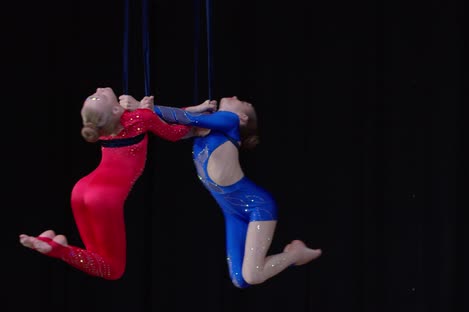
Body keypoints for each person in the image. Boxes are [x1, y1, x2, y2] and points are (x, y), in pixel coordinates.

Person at [125, 96, 322, 288]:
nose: (235, 96)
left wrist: (145, 108)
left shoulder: (231, 120)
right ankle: (293, 255)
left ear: (242, 118)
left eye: (243, 102)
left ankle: (295, 254)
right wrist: (145, 111)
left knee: (252, 276)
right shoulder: (205, 128)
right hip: (231, 211)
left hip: (257, 206)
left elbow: (186, 118)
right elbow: (171, 130)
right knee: (240, 280)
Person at [18, 87, 213, 280]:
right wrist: (197, 122)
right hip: (104, 195)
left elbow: (154, 115)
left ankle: (55, 246)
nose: (99, 89)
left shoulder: (103, 125)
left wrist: (195, 109)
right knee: (113, 270)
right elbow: (174, 132)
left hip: (82, 189)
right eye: (100, 95)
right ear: (115, 110)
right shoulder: (140, 118)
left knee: (99, 257)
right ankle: (59, 251)